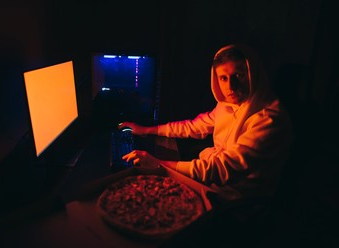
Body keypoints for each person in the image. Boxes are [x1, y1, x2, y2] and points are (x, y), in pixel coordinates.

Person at [120, 44, 294, 202]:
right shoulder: (229, 104)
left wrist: (158, 163)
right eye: (223, 78)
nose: (231, 86)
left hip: (238, 199)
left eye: (239, 76)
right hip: (215, 181)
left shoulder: (269, 119)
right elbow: (193, 126)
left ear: (253, 74)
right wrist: (146, 130)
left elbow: (223, 170)